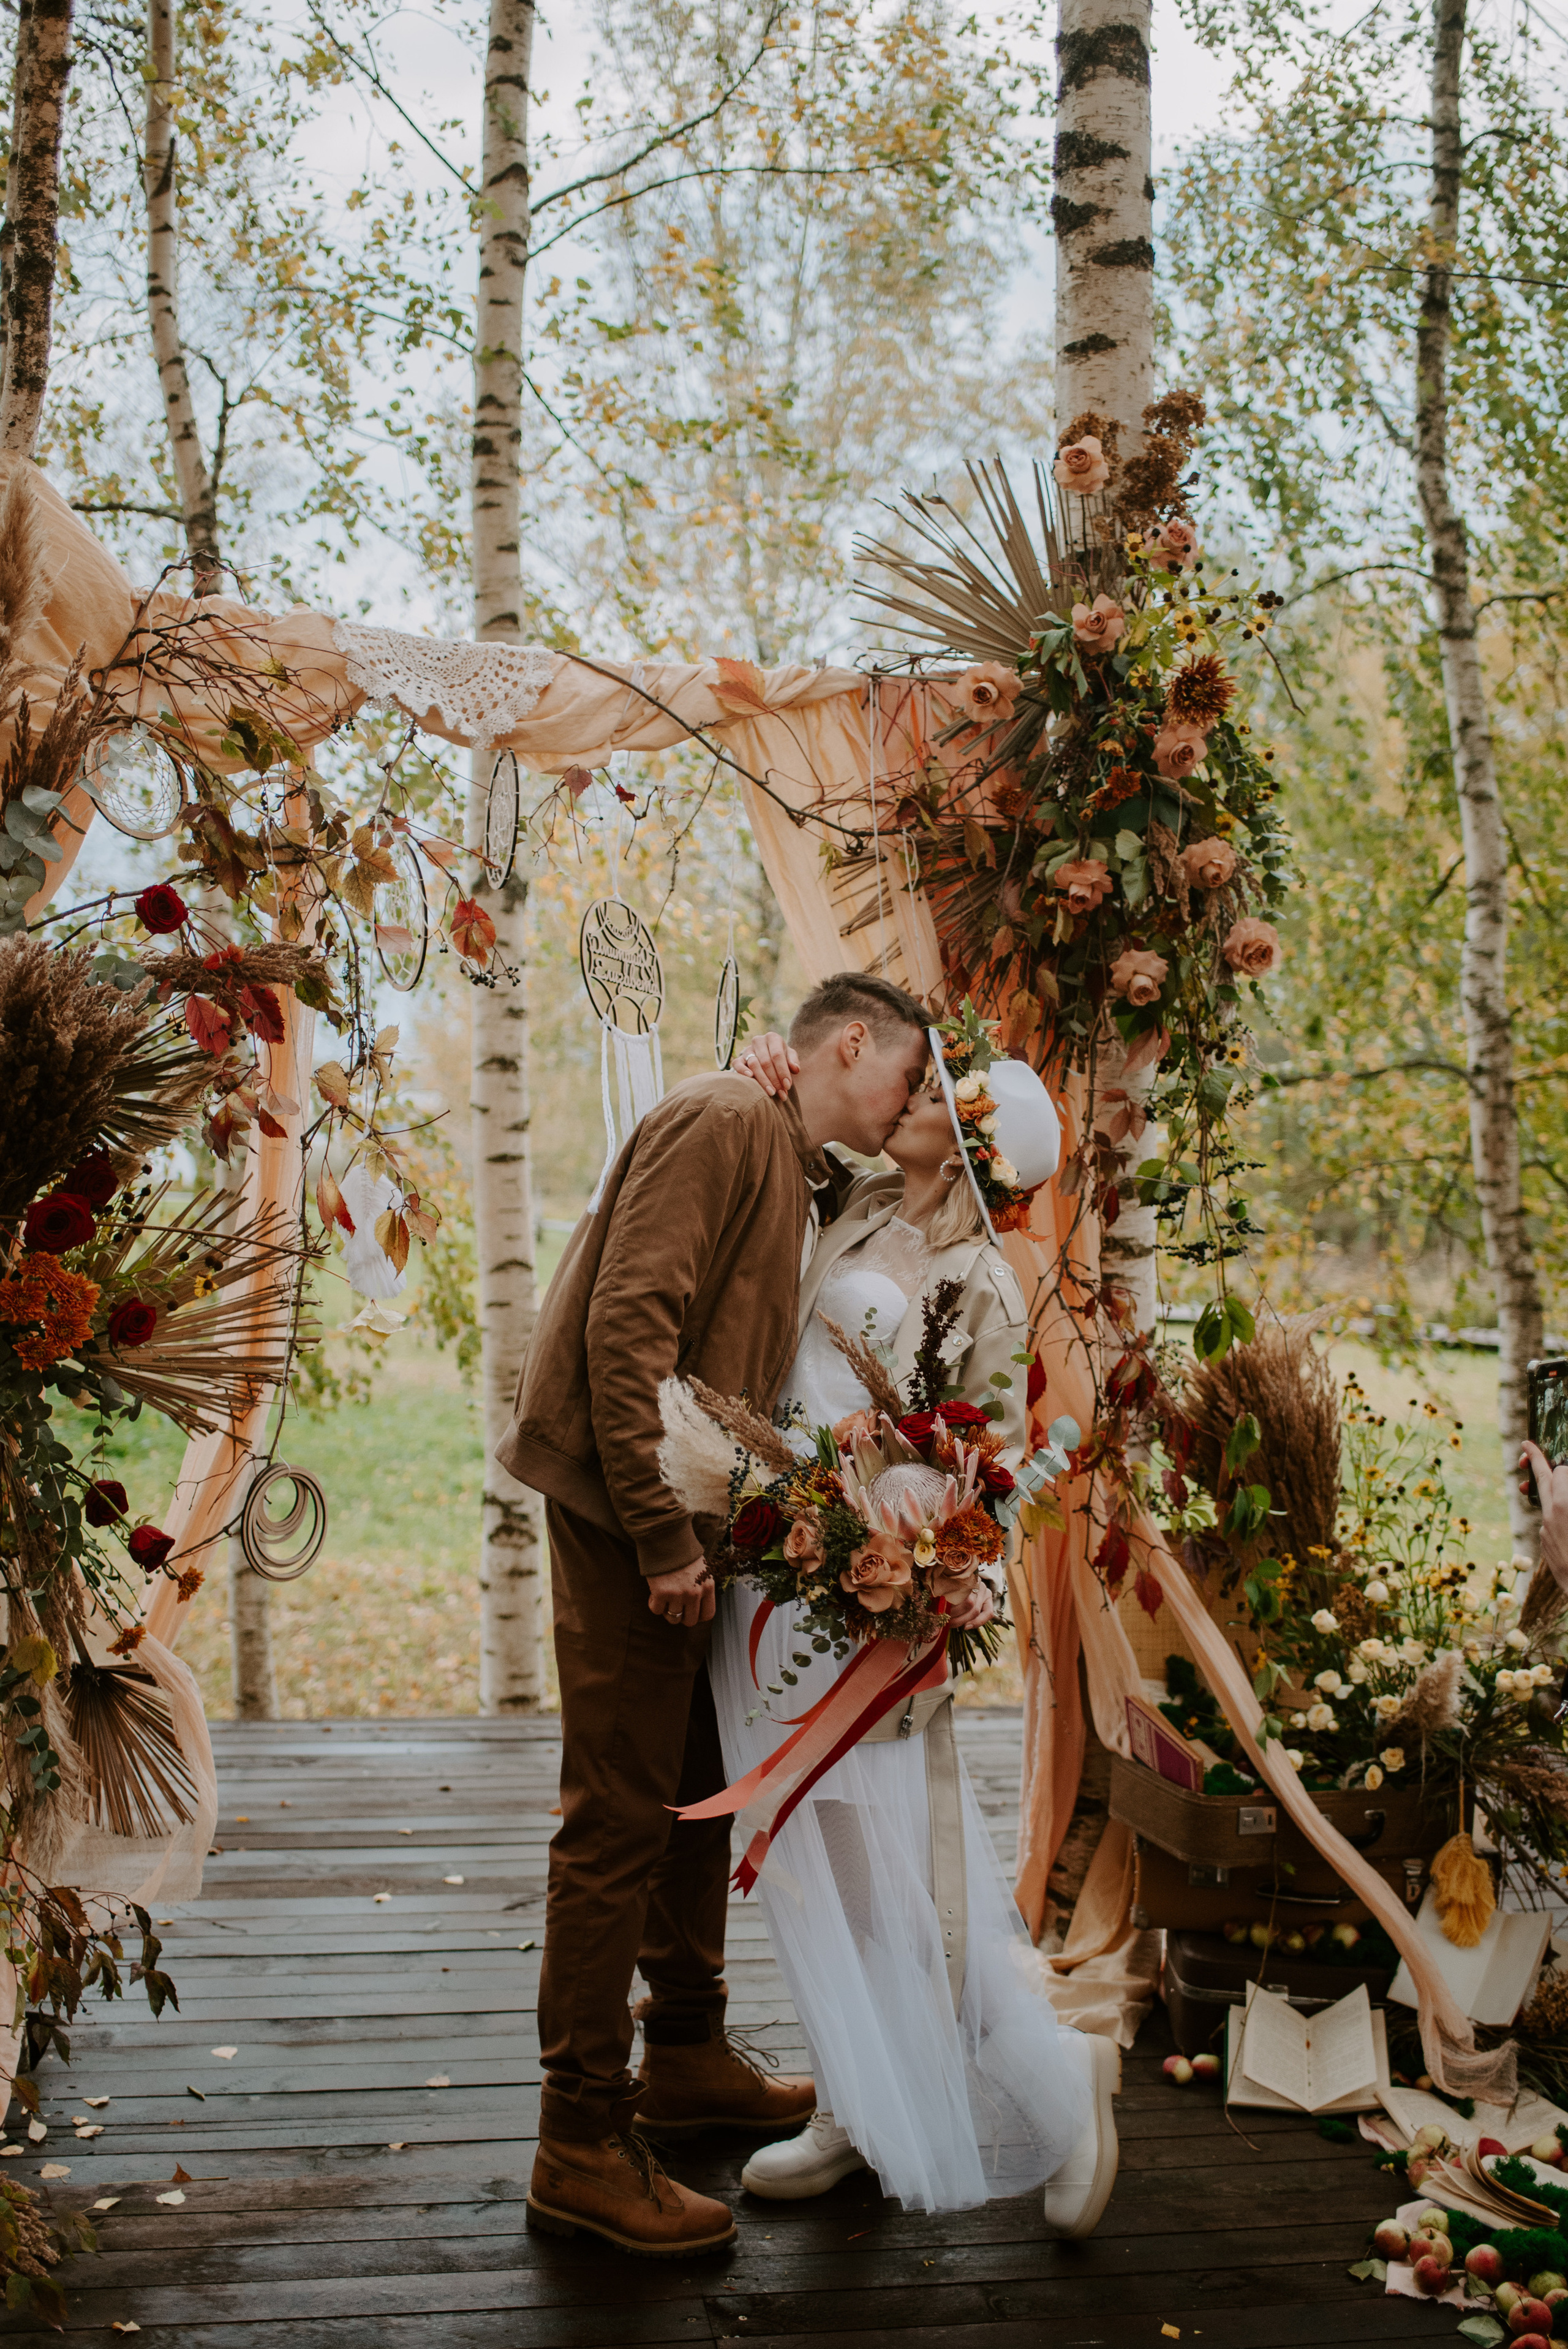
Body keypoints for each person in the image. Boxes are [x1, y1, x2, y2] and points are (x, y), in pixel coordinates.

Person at [499, 971, 932, 2257]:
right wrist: (656, 1530)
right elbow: (627, 1319)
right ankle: (577, 2138)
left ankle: (682, 2050)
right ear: (847, 1041)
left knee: (692, 1788)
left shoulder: (782, 1141)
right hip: (628, 1515)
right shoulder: (723, 1118)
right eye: (904, 1073)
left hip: (690, 1516)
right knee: (619, 1814)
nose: (912, 1100)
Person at [715, 1024, 1119, 2230]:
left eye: (930, 1097)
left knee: (901, 1873)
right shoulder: (844, 1202)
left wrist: (883, 1542)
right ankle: (854, 2096)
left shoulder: (982, 1279)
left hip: (876, 1595)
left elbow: (979, 1467)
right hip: (783, 1571)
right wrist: (758, 1068)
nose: (900, 1098)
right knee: (816, 1860)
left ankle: (1061, 2077)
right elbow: (776, 1148)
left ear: (970, 1144)